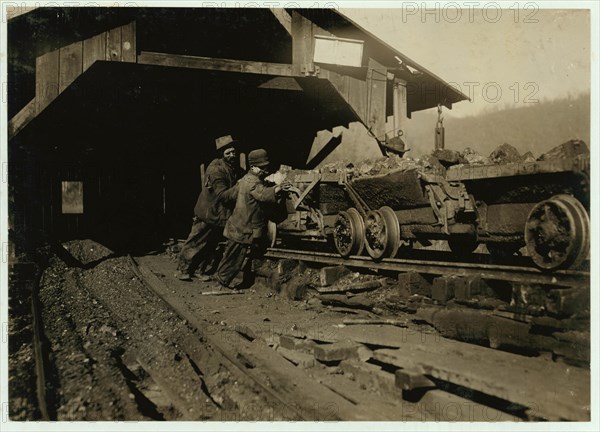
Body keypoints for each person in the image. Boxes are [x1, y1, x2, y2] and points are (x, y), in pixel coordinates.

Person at [214, 148, 291, 289]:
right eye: (262, 167)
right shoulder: (253, 183)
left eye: (266, 167)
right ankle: (221, 283)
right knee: (234, 258)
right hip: (242, 228)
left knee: (232, 255)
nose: (265, 170)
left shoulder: (244, 180)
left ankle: (221, 280)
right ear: (253, 167)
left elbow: (231, 195)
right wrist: (278, 189)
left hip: (237, 225)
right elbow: (261, 194)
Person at [176, 135, 243, 281]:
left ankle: (200, 270)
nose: (232, 155)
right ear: (221, 154)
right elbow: (223, 195)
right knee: (196, 241)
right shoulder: (216, 170)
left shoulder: (232, 167)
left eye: (233, 152)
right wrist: (241, 185)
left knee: (211, 244)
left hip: (220, 214)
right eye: (228, 153)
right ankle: (183, 269)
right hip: (208, 213)